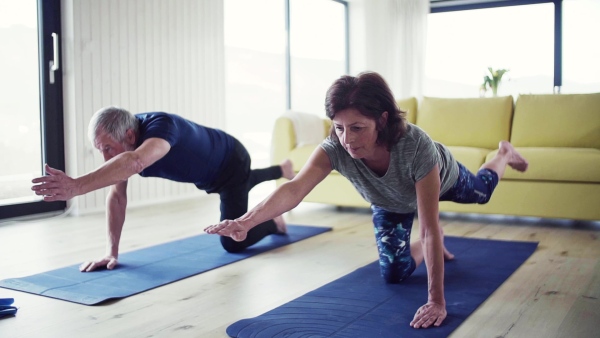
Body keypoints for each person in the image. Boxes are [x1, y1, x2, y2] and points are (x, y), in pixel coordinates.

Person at [204, 71, 529, 329]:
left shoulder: (416, 146)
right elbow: (295, 189)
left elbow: (427, 227)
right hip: (388, 202)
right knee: (394, 273)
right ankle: (431, 247)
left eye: (357, 127)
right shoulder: (335, 147)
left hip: (439, 181)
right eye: (340, 127)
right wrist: (245, 222)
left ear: (383, 120)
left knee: (482, 193)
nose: (348, 139)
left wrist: (436, 301)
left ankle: (501, 155)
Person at [31, 107, 295, 272]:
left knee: (232, 241)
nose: (106, 159)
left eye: (108, 149)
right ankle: (282, 169)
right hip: (211, 175)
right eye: (101, 151)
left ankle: (273, 222)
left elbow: (134, 161)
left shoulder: (161, 128)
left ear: (130, 137)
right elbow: (117, 197)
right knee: (241, 182)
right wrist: (112, 252)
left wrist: (76, 186)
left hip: (231, 159)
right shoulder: (125, 146)